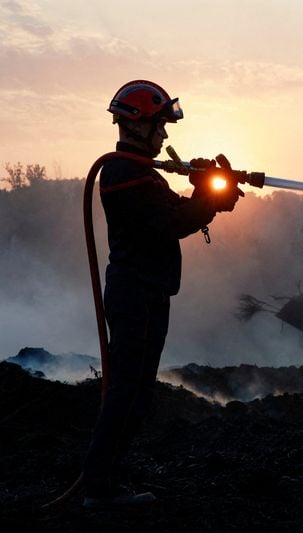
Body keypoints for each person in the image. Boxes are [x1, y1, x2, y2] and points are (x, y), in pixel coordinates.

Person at [82, 80, 241, 508]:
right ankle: (100, 488)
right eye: (161, 126)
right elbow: (169, 225)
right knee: (127, 390)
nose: (166, 136)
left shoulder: (140, 174)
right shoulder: (125, 174)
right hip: (136, 293)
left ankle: (109, 477)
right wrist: (209, 196)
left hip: (147, 290)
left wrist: (203, 190)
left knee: (136, 390)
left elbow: (174, 212)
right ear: (138, 126)